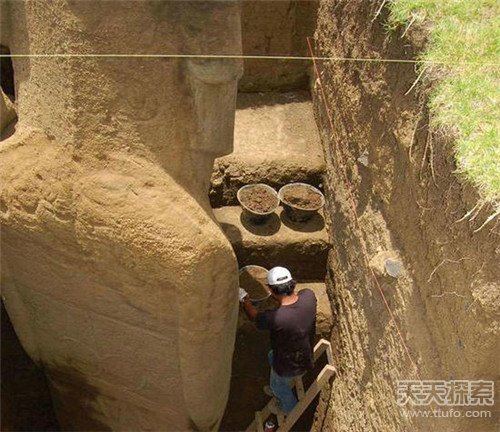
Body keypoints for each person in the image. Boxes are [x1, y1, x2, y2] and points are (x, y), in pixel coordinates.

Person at [239, 266, 317, 415]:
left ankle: (289, 408)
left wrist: (245, 300)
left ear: (271, 291)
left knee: (277, 385)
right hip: (305, 355)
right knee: (271, 355)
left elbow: (254, 317)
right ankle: (283, 384)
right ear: (292, 283)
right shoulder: (309, 296)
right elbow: (297, 297)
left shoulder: (275, 318)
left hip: (286, 366)